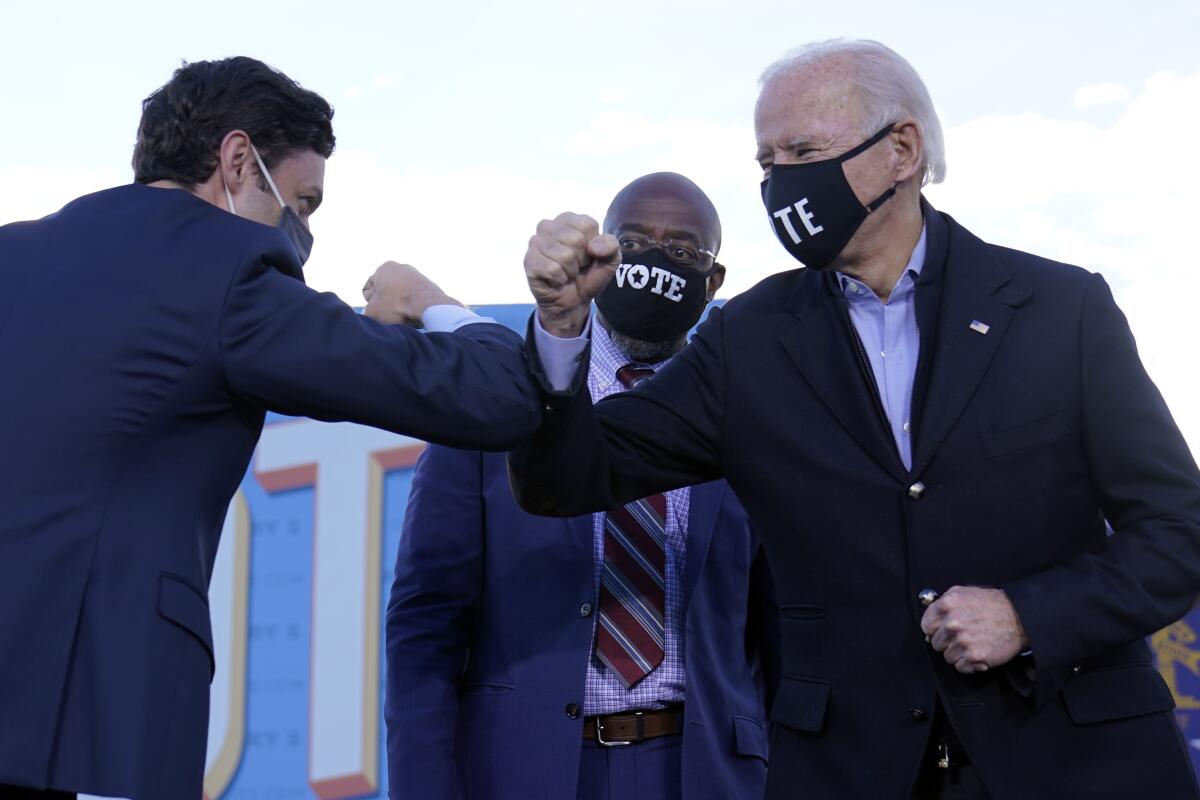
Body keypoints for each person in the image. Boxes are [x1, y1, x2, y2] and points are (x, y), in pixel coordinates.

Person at [509, 38, 1200, 799]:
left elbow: (1178, 531)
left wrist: (1029, 616)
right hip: (849, 773)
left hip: (1076, 763)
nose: (781, 185)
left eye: (803, 151)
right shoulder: (748, 340)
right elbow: (568, 479)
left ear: (901, 149)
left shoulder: (1060, 310)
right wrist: (562, 329)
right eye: (767, 164)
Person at [0, 57, 539, 800]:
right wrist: (429, 300)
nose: (301, 230)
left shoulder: (14, 253)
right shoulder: (231, 275)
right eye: (304, 202)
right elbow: (497, 396)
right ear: (235, 159)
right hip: (97, 724)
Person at [384, 173, 778, 800]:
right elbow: (425, 625)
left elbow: (776, 633)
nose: (656, 262)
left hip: (704, 773)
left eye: (682, 251)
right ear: (600, 254)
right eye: (635, 242)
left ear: (715, 283)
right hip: (526, 769)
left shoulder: (749, 418)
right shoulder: (499, 402)